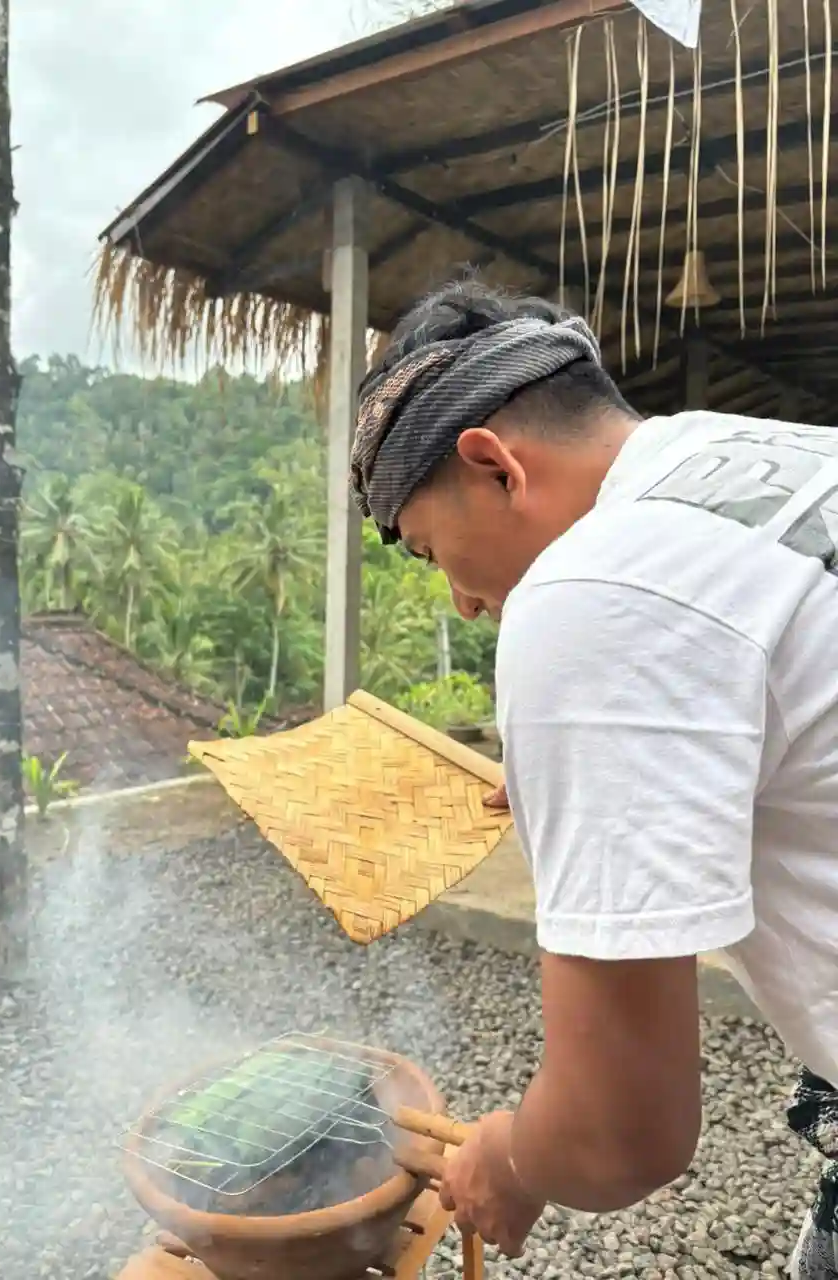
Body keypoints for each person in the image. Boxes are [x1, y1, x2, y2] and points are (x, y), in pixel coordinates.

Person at [348, 279, 838, 1279]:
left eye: (440, 553)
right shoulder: (755, 454)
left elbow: (623, 1133)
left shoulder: (589, 590)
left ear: (492, 464)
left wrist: (514, 1157)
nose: (467, 603)